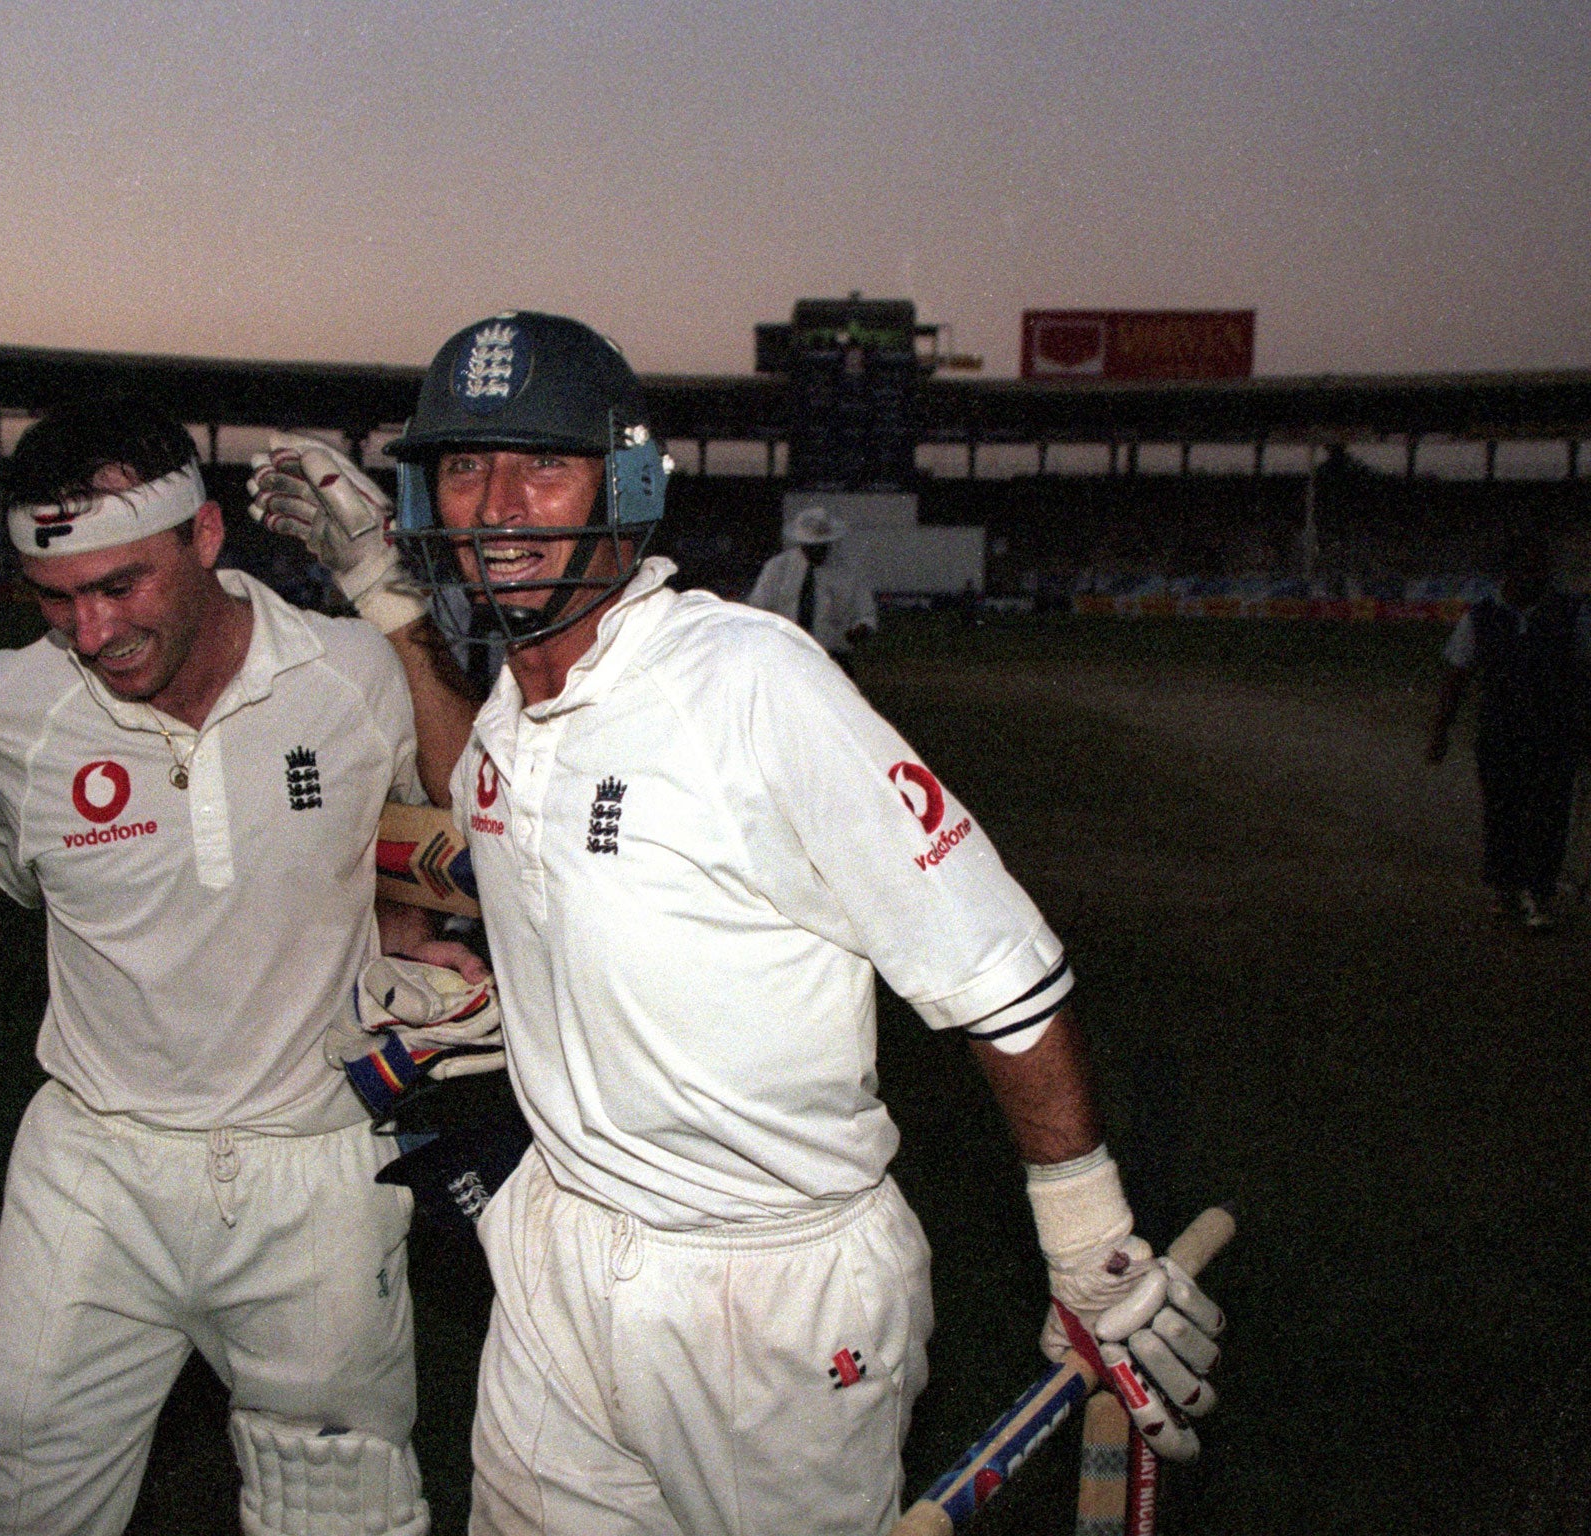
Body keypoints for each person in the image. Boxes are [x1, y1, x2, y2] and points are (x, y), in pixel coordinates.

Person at [254, 313, 1226, 1536]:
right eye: (463, 467)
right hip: (556, 1253)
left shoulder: (750, 679)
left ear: (627, 482)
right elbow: (480, 806)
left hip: (767, 1290)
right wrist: (386, 604)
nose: (496, 505)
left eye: (539, 466)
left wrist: (1087, 1241)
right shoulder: (515, 698)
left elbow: (997, 971)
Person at [0, 400, 479, 1536]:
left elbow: (475, 803)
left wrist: (389, 597)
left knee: (336, 1511)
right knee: (0, 1506)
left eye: (120, 587)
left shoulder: (344, 673)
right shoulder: (13, 704)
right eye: (57, 597)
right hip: (95, 1166)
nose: (90, 632)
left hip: (317, 1169)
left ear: (203, 538)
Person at [1427, 531, 1590, 929]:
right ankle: (1505, 887)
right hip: (1501, 732)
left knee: (1549, 814)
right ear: (1510, 571)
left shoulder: (1573, 613)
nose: (1537, 574)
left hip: (1556, 732)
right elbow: (1457, 676)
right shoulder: (1481, 617)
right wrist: (1440, 731)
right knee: (1504, 813)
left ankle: (1540, 892)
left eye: (1541, 566)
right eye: (1528, 566)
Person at [745, 502, 877, 668]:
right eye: (811, 547)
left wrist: (859, 630)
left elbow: (866, 614)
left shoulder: (849, 571)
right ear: (801, 543)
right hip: (785, 654)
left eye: (821, 546)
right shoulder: (778, 568)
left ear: (830, 542)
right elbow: (758, 609)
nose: (816, 551)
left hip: (832, 657)